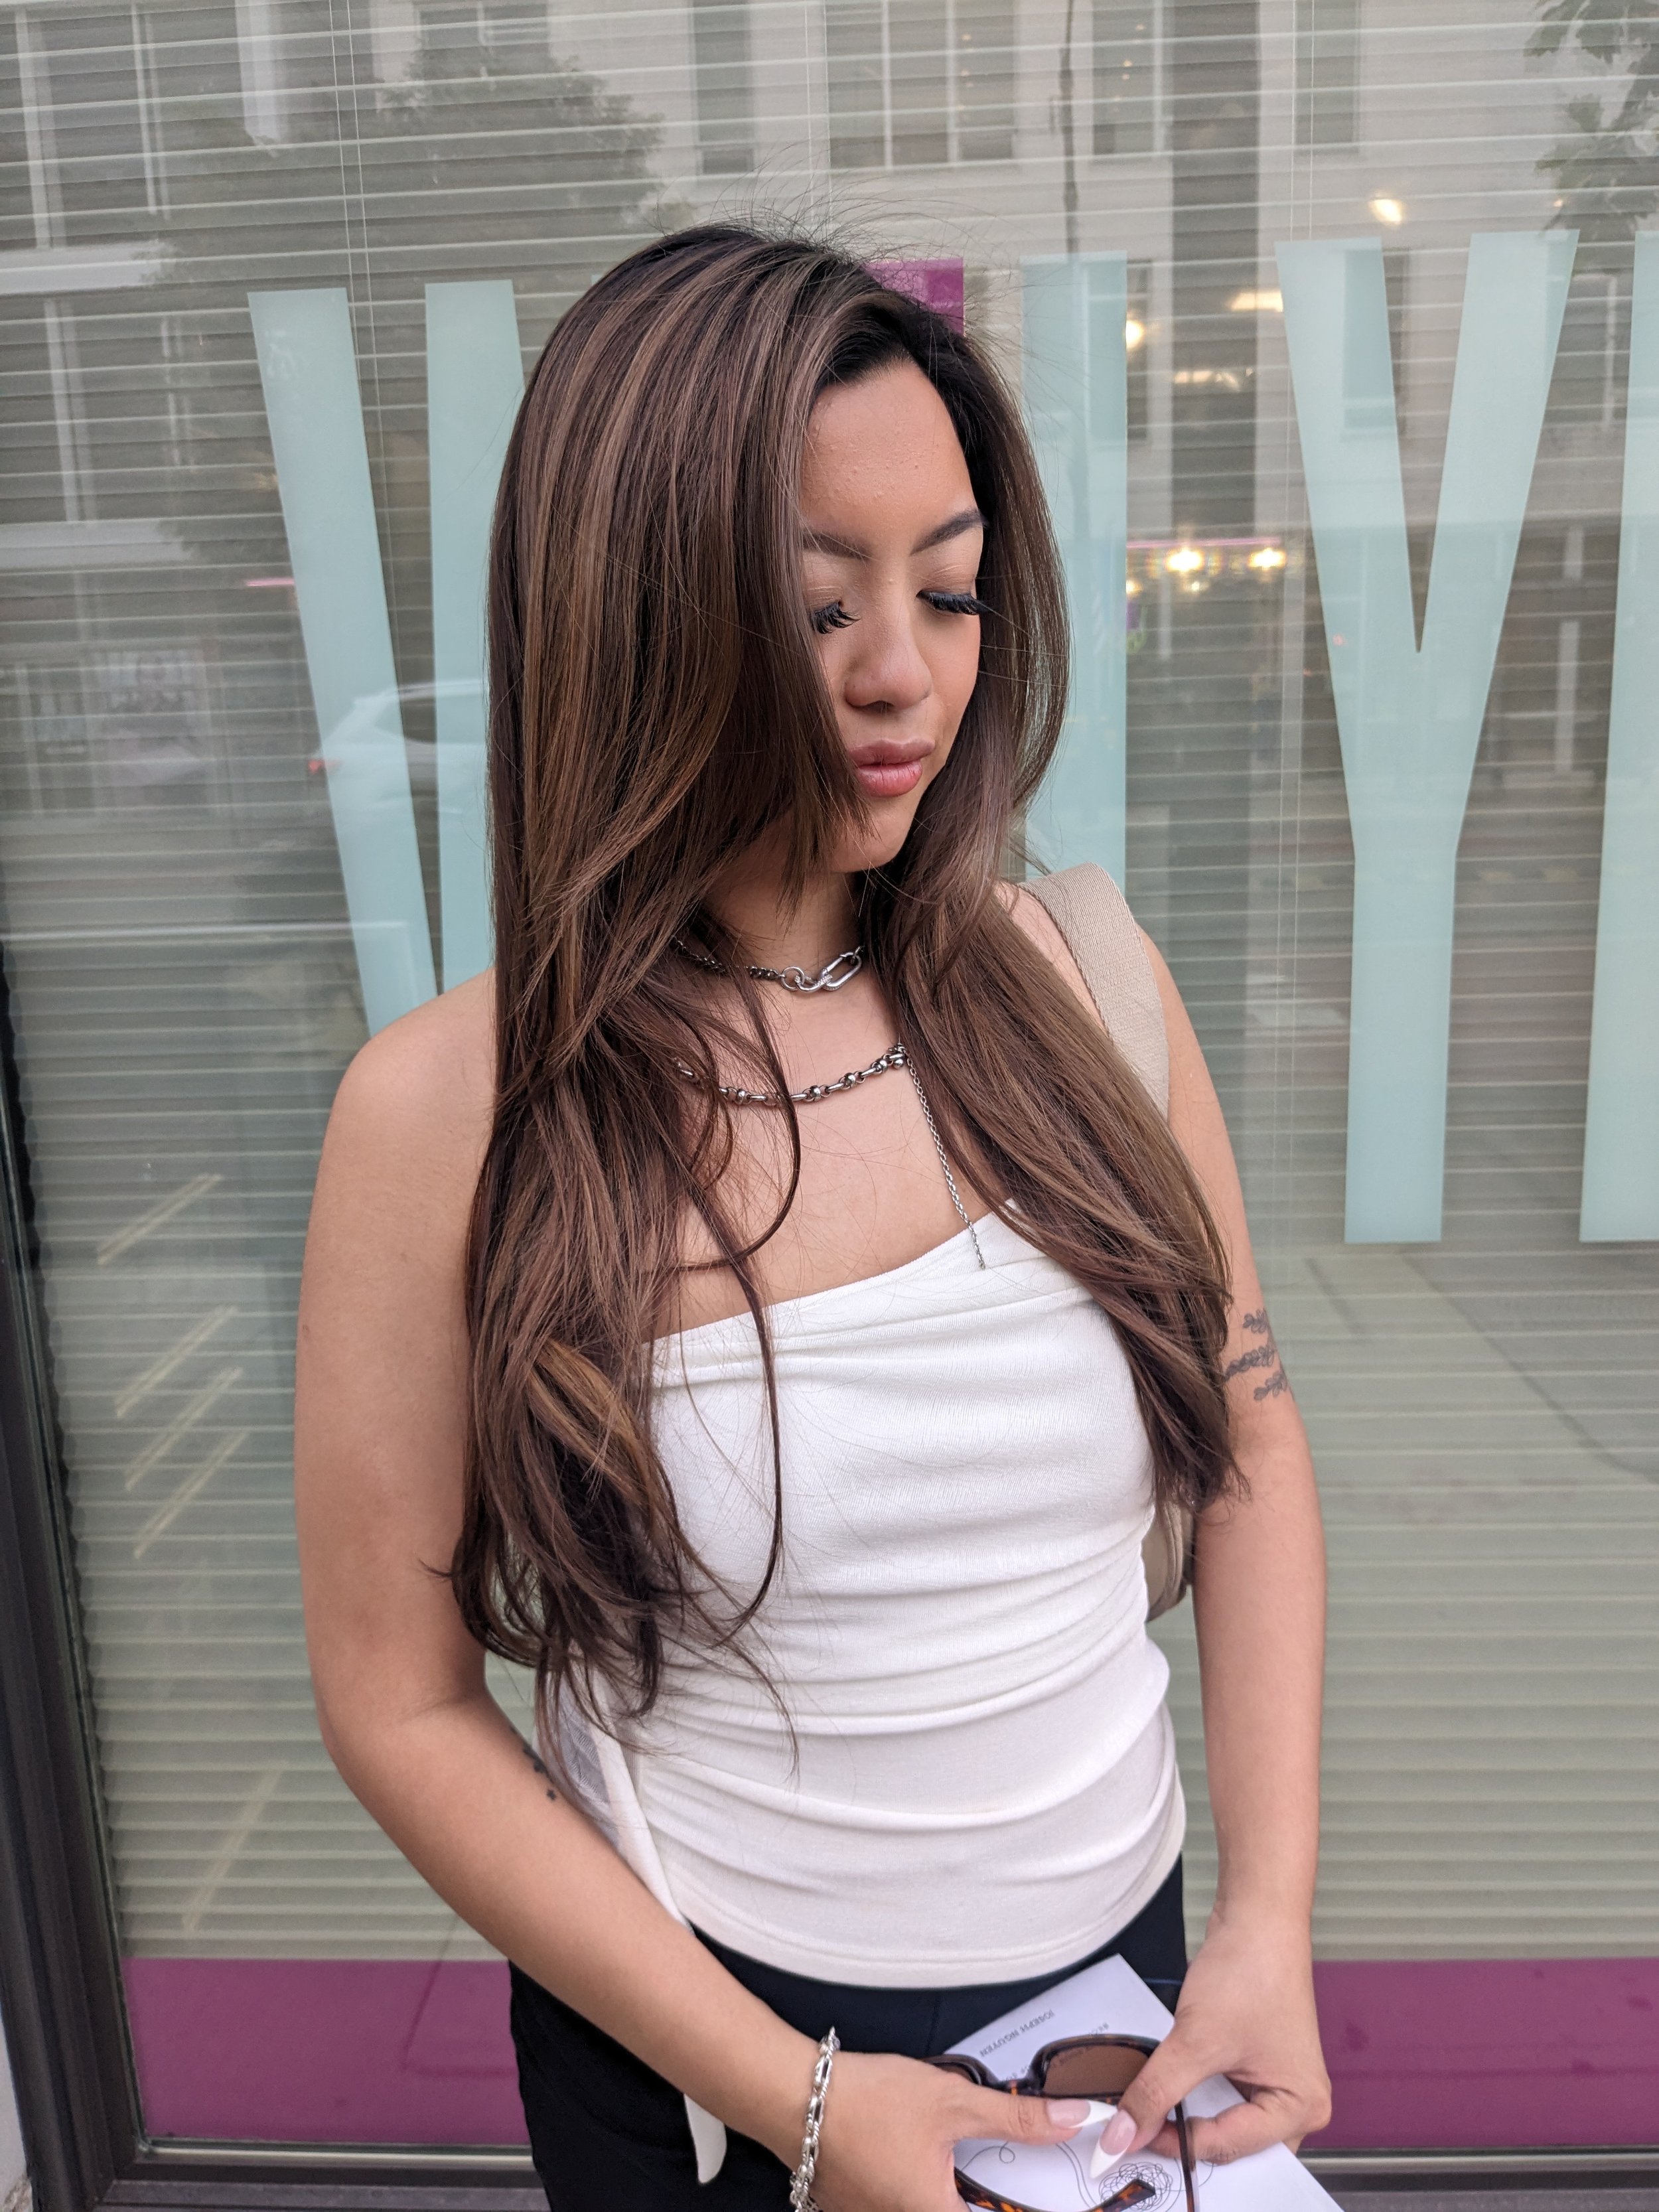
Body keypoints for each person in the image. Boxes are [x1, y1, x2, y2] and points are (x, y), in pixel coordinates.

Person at [294, 224, 1330, 2212]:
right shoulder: (452, 1113)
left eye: (946, 591)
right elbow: (396, 1696)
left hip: (1120, 1981)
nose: (900, 671)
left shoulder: (1084, 986)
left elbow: (1252, 1442)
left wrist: (1264, 1922)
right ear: (636, 611)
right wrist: (805, 2102)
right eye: (815, 599)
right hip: (703, 2051)